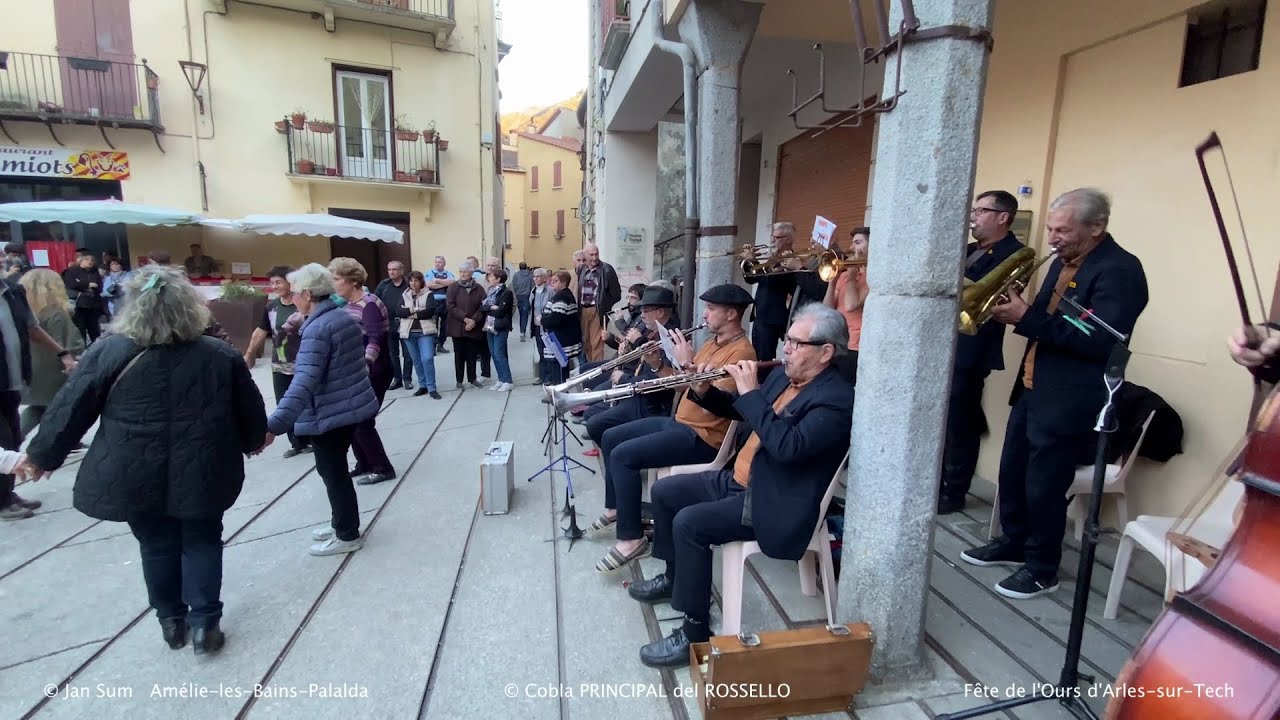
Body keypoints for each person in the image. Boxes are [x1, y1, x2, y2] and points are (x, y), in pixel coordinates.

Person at [25, 264, 268, 654]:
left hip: (133, 469)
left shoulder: (109, 350)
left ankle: (171, 620)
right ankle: (206, 625)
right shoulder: (218, 353)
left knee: (155, 544)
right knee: (202, 541)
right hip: (203, 466)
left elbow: (70, 407)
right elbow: (249, 409)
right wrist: (254, 439)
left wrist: (42, 455)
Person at [628, 303, 854, 666]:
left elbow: (787, 448)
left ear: (826, 352)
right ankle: (676, 578)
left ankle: (694, 633)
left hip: (772, 498)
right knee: (665, 492)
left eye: (797, 343)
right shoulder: (785, 375)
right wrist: (703, 390)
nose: (786, 350)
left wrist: (750, 393)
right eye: (788, 341)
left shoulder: (837, 400)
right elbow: (741, 411)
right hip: (740, 478)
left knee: (691, 524)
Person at [961, 188, 1149, 600]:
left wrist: (1025, 317)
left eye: (1062, 230)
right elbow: (1049, 322)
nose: (1052, 238)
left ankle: (1043, 567)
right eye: (1050, 228)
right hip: (1033, 387)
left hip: (1070, 396)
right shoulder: (1062, 264)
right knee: (1013, 472)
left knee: (1046, 485)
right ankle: (1014, 542)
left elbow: (1100, 339)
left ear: (1096, 227)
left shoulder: (1120, 269)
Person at [592, 284, 757, 573]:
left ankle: (631, 539)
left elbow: (712, 402)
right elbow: (682, 384)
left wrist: (686, 363)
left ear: (732, 314)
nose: (704, 314)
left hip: (703, 436)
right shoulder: (711, 343)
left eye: (711, 309)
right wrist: (657, 365)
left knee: (623, 456)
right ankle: (617, 507)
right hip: (678, 422)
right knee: (610, 437)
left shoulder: (742, 354)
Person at [263, 263, 379, 557]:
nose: (293, 298)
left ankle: (347, 534)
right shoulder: (339, 317)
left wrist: (274, 425)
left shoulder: (319, 327)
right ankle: (341, 522)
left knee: (334, 473)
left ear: (307, 293)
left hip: (330, 413)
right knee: (336, 471)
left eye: (296, 293)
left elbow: (304, 381)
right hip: (345, 408)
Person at [938, 192, 1026, 514]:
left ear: (1003, 217)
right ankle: (937, 480)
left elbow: (995, 297)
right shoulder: (967, 250)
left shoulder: (1015, 253)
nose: (973, 216)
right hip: (944, 342)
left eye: (981, 211)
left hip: (973, 347)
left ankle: (955, 490)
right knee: (945, 419)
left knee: (962, 422)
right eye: (974, 210)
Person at [0, 265, 78, 520]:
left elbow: (32, 328)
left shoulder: (12, 292)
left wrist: (62, 353)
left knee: (11, 437)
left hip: (13, 380)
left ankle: (7, 494)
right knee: (4, 438)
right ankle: (2, 500)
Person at [328, 258, 396, 485]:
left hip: (375, 369)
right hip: (358, 370)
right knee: (353, 420)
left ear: (352, 281)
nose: (333, 283)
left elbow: (375, 338)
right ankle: (364, 463)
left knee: (362, 421)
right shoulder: (346, 305)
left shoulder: (369, 304)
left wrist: (366, 363)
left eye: (336, 279)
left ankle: (382, 468)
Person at [243, 266, 311, 458]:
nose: (275, 286)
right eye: (272, 283)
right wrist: (249, 354)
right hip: (280, 364)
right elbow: (261, 331)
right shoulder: (272, 307)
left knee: (306, 402)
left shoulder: (302, 304)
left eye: (278, 282)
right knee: (284, 402)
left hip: (303, 363)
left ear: (290, 282)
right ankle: (297, 443)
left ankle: (312, 437)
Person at [19, 269, 84, 437]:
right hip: (56, 369)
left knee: (39, 407)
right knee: (58, 407)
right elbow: (68, 344)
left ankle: (13, 439)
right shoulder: (55, 313)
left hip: (34, 368)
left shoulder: (27, 314)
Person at [743, 223, 798, 361]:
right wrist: (747, 263)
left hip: (771, 317)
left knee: (764, 358)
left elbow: (770, 281)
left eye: (777, 237)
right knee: (757, 355)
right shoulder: (774, 257)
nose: (773, 241)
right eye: (772, 237)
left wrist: (752, 261)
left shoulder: (790, 259)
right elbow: (752, 280)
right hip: (760, 314)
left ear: (788, 239)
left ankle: (764, 382)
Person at [822, 226, 869, 383]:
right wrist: (832, 281)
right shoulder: (845, 276)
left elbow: (851, 305)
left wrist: (852, 274)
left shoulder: (872, 278)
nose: (851, 248)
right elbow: (827, 310)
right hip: (836, 341)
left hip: (855, 346)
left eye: (857, 242)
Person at [397, 271, 442, 399]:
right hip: (408, 332)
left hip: (424, 332)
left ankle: (432, 387)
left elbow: (429, 312)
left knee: (427, 358)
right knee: (416, 360)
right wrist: (415, 310)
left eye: (416, 280)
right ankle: (423, 385)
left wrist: (410, 313)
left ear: (421, 282)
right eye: (411, 281)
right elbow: (399, 311)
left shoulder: (428, 294)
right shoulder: (405, 295)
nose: (413, 283)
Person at [576, 244, 622, 363]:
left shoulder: (607, 270)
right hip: (583, 310)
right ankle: (589, 370)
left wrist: (604, 305)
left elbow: (616, 294)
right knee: (586, 343)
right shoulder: (581, 269)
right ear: (585, 255)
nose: (594, 257)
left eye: (596, 254)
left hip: (597, 310)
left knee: (596, 344)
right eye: (591, 255)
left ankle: (596, 372)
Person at [446, 261, 487, 389]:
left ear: (471, 273)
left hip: (474, 327)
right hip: (457, 327)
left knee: (472, 354)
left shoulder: (479, 288)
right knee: (459, 354)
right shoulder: (453, 287)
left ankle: (472, 378)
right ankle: (459, 380)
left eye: (465, 272)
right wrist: (465, 319)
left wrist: (474, 320)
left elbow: (483, 306)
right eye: (461, 272)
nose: (463, 274)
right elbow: (450, 306)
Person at [539, 270, 583, 384]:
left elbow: (556, 319)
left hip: (561, 340)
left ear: (564, 283)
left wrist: (542, 320)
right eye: (551, 280)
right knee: (559, 369)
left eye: (556, 281)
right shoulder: (562, 295)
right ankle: (559, 392)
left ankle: (559, 394)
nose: (552, 283)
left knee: (558, 369)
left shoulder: (562, 296)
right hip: (561, 339)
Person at [375, 261, 414, 391]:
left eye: (394, 269)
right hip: (388, 324)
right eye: (389, 269)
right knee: (393, 354)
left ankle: (407, 379)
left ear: (402, 271)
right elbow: (376, 301)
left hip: (406, 323)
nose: (391, 272)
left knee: (408, 354)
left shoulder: (409, 284)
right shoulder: (384, 285)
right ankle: (397, 379)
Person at [481, 268, 515, 392]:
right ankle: (500, 379)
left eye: (491, 277)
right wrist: (491, 307)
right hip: (489, 325)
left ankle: (507, 380)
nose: (489, 279)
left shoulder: (506, 292)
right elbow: (482, 307)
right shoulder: (490, 291)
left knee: (499, 353)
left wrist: (489, 308)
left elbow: (501, 311)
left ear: (498, 279)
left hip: (500, 325)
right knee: (494, 354)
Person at [64, 253, 103, 345]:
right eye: (87, 259)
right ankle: (82, 349)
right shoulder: (72, 271)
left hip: (93, 305)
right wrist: (88, 285)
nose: (90, 262)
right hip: (79, 305)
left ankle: (96, 348)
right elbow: (72, 285)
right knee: (80, 330)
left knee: (94, 330)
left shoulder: (94, 272)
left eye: (92, 260)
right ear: (80, 261)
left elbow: (99, 287)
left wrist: (81, 284)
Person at [530, 268, 556, 385]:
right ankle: (542, 376)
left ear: (544, 278)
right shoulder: (534, 291)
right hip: (537, 326)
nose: (535, 278)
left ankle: (549, 377)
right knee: (541, 352)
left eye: (538, 276)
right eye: (534, 276)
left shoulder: (550, 291)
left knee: (548, 352)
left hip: (546, 326)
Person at [425, 256, 455, 354]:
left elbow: (452, 283)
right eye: (436, 262)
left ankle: (441, 345)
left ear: (444, 264)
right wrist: (445, 284)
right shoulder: (430, 273)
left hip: (446, 302)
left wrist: (437, 281)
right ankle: (433, 346)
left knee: (445, 326)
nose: (438, 264)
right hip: (434, 302)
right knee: (434, 325)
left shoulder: (448, 273)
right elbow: (429, 285)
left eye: (440, 262)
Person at [511, 262, 535, 341]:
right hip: (527, 296)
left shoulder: (516, 275)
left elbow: (513, 285)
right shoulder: (531, 275)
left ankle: (522, 330)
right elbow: (532, 286)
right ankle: (523, 331)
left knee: (521, 313)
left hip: (518, 296)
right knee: (525, 314)